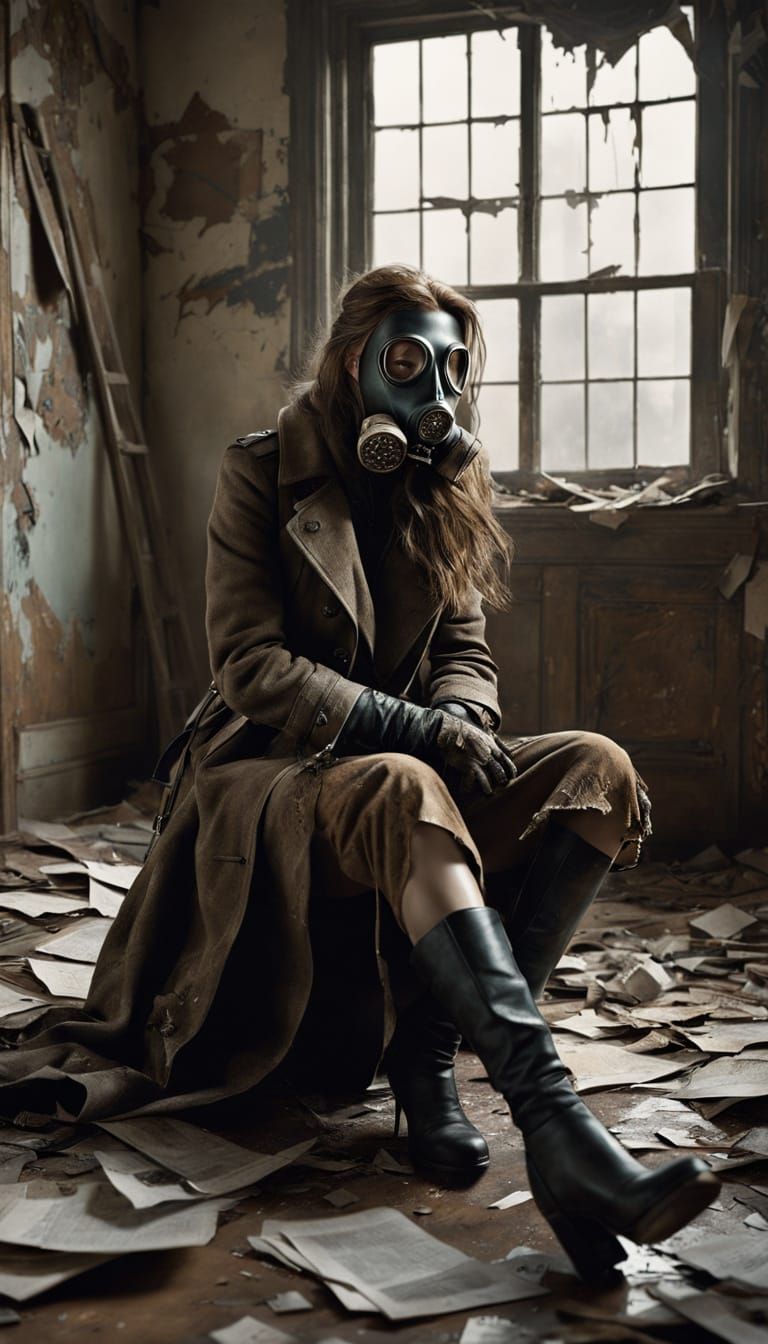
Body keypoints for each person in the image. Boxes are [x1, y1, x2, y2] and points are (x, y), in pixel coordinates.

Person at [0, 264, 718, 1282]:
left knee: (596, 771)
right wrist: (418, 731)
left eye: (452, 372)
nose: (438, 396)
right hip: (271, 777)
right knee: (404, 783)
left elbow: (465, 648)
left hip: (403, 765)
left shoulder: (444, 486)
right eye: (411, 367)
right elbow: (250, 667)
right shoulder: (259, 472)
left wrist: (465, 717)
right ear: (353, 367)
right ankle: (560, 1135)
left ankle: (426, 1060)